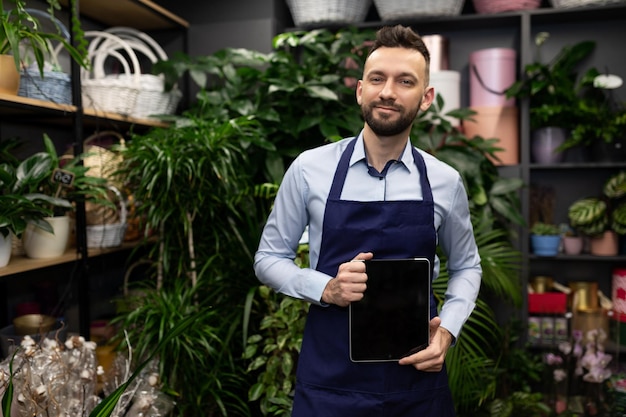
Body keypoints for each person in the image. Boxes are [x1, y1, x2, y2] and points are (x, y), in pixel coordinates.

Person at [254, 24, 482, 416]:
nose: (388, 92)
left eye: (405, 81)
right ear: (361, 90)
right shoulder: (310, 169)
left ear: (426, 98)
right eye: (377, 78)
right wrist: (326, 288)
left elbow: (467, 265)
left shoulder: (445, 181)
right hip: (329, 384)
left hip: (416, 384)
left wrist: (447, 331)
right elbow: (268, 258)